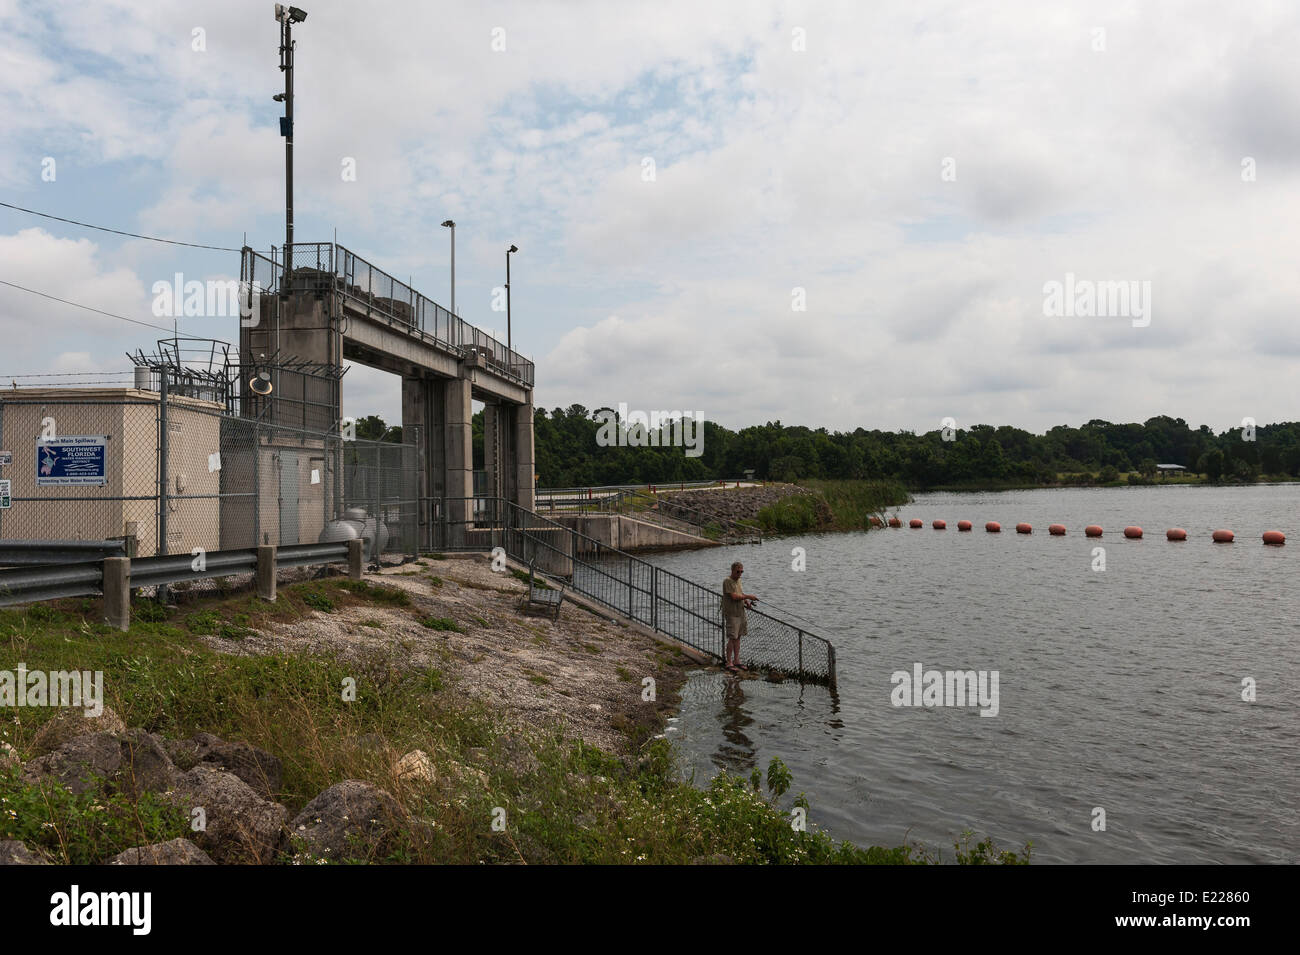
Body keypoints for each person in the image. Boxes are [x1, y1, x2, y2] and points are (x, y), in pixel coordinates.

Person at [721, 561, 757, 672]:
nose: (740, 573)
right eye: (738, 571)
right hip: (732, 614)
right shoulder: (727, 581)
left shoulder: (739, 581)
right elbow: (734, 596)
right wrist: (749, 596)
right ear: (732, 570)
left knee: (739, 636)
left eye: (742, 571)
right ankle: (729, 662)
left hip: (741, 612)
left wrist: (747, 602)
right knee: (732, 638)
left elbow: (740, 594)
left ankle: (737, 660)